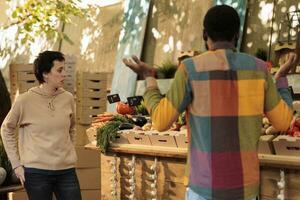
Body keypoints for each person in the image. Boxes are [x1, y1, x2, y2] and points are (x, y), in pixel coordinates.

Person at [123, 5, 297, 200]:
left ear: (205, 34)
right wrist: (281, 78)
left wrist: (149, 78)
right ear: (237, 35)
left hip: (203, 188)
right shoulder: (259, 69)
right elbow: (283, 122)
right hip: (245, 190)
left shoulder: (189, 69)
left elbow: (161, 121)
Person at [1, 51, 81, 200]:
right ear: (45, 74)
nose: (64, 74)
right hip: (36, 173)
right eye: (59, 70)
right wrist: (17, 165)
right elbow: (6, 129)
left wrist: (69, 151)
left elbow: (72, 128)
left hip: (66, 171)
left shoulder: (68, 98)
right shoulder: (25, 101)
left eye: (64, 69)